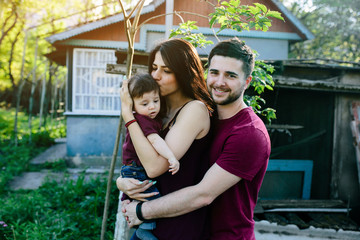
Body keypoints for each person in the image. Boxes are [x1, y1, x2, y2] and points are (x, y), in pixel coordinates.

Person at [121, 38, 271, 240]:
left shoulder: (248, 133)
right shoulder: (203, 114)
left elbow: (203, 194)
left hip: (226, 235)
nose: (219, 82)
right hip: (180, 227)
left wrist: (140, 211)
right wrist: (122, 182)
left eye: (231, 75)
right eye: (215, 72)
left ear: (247, 81)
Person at [117, 38, 215, 240]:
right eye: (154, 68)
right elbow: (137, 159)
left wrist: (128, 115)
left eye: (167, 71)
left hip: (178, 227)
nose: (156, 76)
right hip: (153, 221)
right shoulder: (158, 111)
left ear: (183, 73)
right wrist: (121, 182)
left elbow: (154, 167)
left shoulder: (194, 110)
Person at [120, 73, 180, 240]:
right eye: (145, 103)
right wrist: (171, 157)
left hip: (131, 169)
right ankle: (145, 232)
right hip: (136, 169)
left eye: (156, 100)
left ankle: (134, 214)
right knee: (153, 198)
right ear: (132, 105)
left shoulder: (148, 117)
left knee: (141, 193)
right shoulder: (143, 120)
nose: (152, 107)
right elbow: (155, 140)